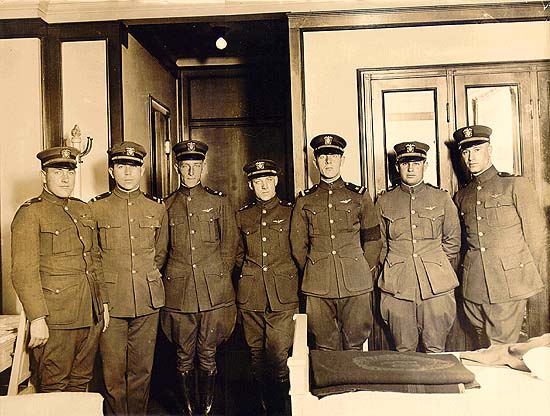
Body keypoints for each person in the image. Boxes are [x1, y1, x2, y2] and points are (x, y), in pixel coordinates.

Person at [11, 146, 108, 392]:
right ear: (43, 176)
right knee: (54, 388)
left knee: (81, 383)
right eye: (57, 172)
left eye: (70, 172)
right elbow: (23, 272)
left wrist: (103, 304)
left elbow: (94, 260)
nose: (66, 178)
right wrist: (37, 318)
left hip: (89, 315)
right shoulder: (31, 213)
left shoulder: (82, 209)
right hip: (56, 321)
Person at [160, 139, 238, 416]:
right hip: (178, 294)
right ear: (177, 168)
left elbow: (231, 247)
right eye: (185, 166)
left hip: (213, 292)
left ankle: (205, 409)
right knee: (183, 356)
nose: (191, 171)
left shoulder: (219, 202)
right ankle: (189, 409)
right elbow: (161, 251)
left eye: (196, 166)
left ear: (203, 167)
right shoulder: (166, 205)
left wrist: (217, 277)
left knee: (208, 353)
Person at [90, 141, 168, 415]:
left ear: (142, 171)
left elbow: (160, 254)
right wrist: (103, 298)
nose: (127, 173)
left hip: (147, 300)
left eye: (133, 167)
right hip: (111, 302)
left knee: (141, 371)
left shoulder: (156, 208)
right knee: (113, 373)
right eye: (121, 167)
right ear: (112, 171)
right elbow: (94, 257)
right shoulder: (96, 209)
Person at [454, 125, 547, 346]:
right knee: (482, 344)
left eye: (477, 149)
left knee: (501, 347)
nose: (471, 157)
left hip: (508, 283)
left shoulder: (514, 185)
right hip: (474, 284)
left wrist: (521, 274)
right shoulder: (463, 195)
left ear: (490, 149)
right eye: (466, 152)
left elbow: (536, 236)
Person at [290, 133, 382, 351]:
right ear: (315, 162)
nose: (328, 161)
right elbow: (298, 244)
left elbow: (373, 239)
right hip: (318, 285)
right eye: (323, 157)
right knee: (324, 347)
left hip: (356, 284)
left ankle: (355, 387)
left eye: (333, 156)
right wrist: (315, 268)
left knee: (355, 345)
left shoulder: (359, 196)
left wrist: (360, 268)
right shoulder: (305, 199)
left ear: (343, 159)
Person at [375, 141, 460, 352]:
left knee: (436, 350)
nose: (411, 168)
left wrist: (435, 264)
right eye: (405, 163)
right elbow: (380, 245)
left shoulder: (441, 198)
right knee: (404, 352)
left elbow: (452, 241)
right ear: (397, 167)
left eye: (416, 163)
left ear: (425, 166)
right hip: (397, 289)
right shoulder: (384, 201)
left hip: (436, 288)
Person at [235, 159, 298, 415]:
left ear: (276, 181)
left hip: (283, 294)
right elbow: (238, 254)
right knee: (257, 355)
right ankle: (264, 409)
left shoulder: (290, 212)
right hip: (251, 295)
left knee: (278, 354)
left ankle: (280, 408)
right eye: (258, 181)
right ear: (251, 185)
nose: (264, 185)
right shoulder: (243, 215)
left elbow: (299, 250)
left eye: (268, 180)